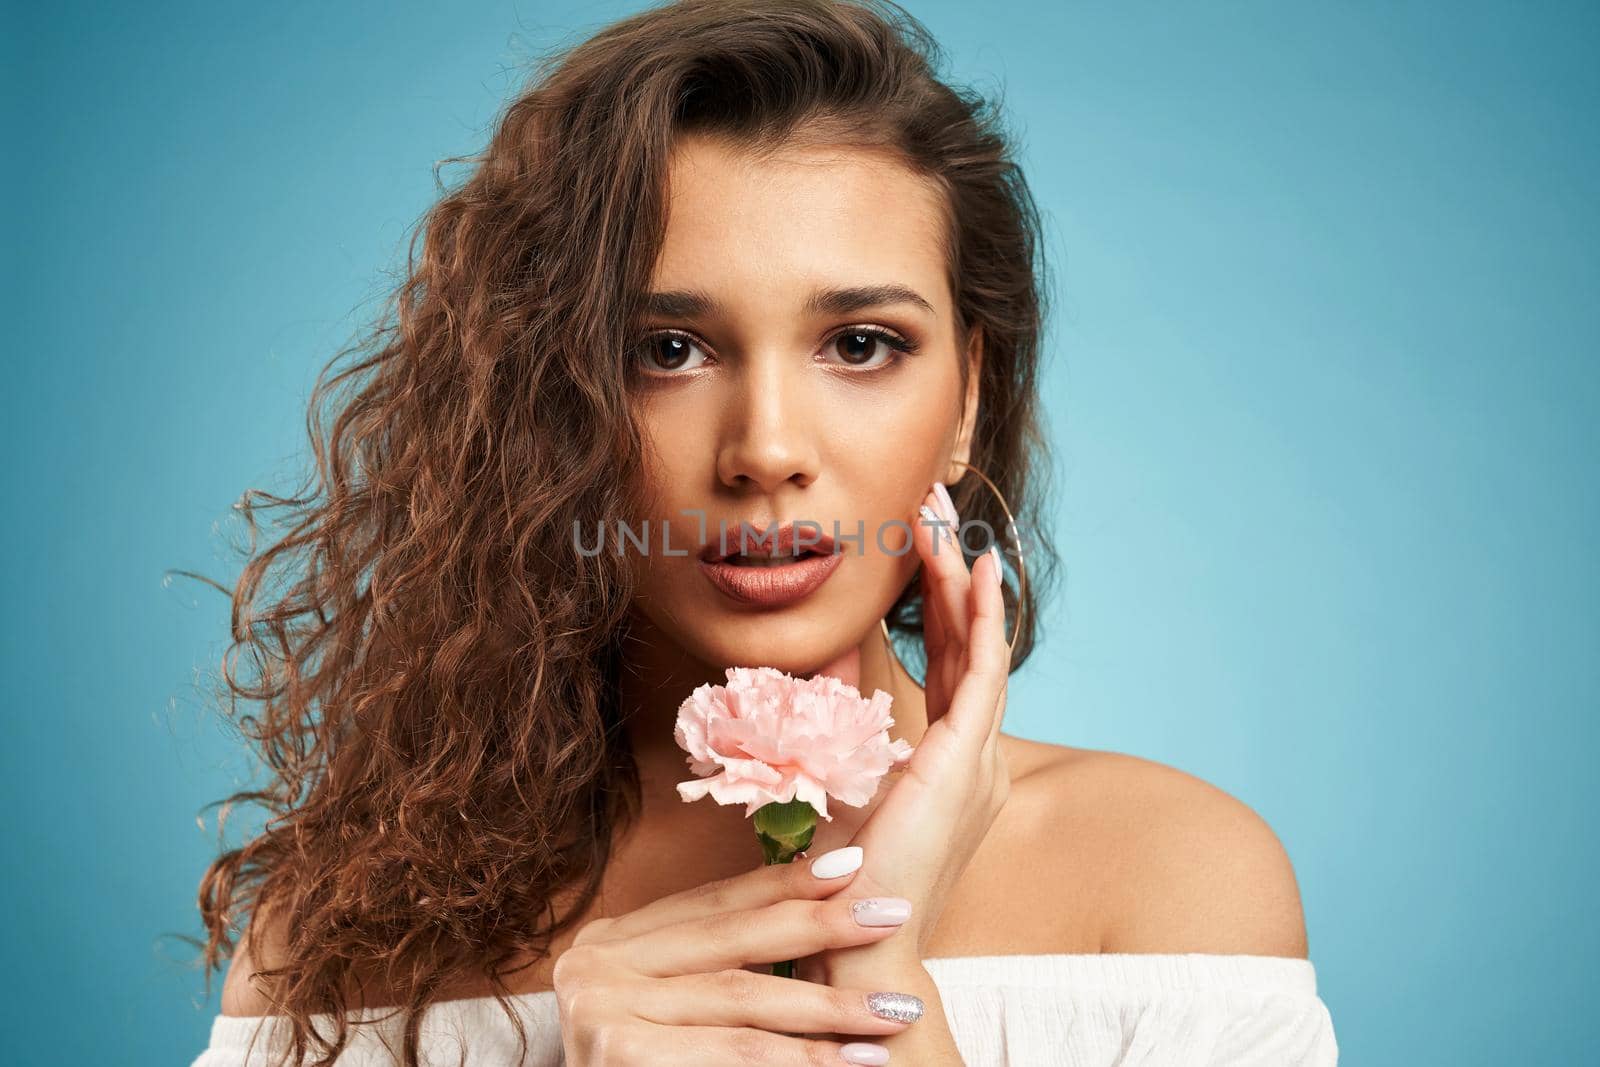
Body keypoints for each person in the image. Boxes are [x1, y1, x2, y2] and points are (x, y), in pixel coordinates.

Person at [190, 1, 1339, 1064]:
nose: (765, 449)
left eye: (860, 344)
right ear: (548, 403)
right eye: (666, 350)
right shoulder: (341, 942)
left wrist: (875, 957)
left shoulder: (1166, 878)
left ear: (968, 398)